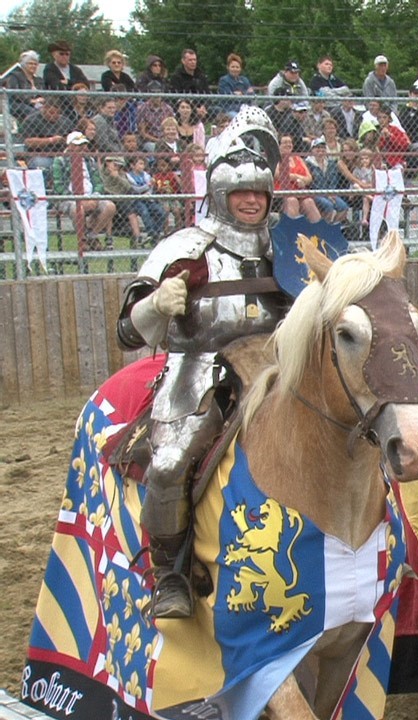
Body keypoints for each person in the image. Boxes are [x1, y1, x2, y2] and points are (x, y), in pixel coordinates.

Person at [116, 107, 288, 619]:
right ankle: (170, 574)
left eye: (259, 192)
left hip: (278, 365)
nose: (252, 201)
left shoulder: (289, 246)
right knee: (169, 465)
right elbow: (128, 331)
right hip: (203, 366)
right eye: (241, 193)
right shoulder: (188, 249)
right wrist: (155, 304)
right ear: (219, 195)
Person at [4, 50, 43, 120]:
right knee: (35, 113)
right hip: (18, 105)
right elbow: (16, 94)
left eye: (35, 64)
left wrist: (43, 99)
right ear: (24, 64)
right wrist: (31, 101)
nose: (33, 66)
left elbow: (45, 94)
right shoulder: (15, 76)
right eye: (30, 63)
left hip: (38, 105)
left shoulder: (38, 80)